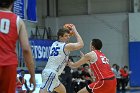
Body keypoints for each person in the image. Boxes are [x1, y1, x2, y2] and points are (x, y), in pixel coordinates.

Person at [0, 0, 36, 93]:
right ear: (12, 3)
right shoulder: (18, 20)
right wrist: (32, 75)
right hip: (9, 65)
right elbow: (26, 49)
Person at [39, 24, 84, 93]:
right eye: (66, 36)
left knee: (62, 91)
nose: (68, 37)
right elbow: (81, 44)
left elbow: (59, 57)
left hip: (50, 73)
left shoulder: (54, 43)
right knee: (43, 91)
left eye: (69, 36)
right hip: (51, 73)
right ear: (60, 37)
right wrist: (74, 31)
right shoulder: (65, 46)